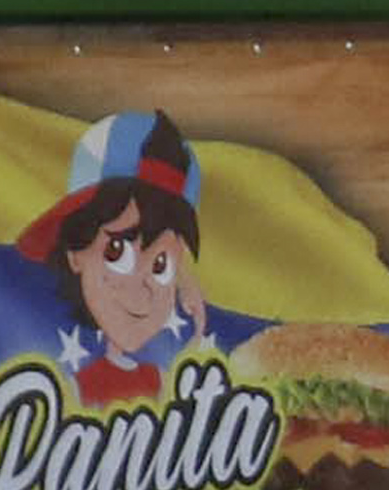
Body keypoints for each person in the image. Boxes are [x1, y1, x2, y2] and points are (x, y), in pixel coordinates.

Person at [28, 110, 235, 400]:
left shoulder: (161, 381)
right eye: (117, 252)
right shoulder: (73, 392)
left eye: (161, 266)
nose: (142, 289)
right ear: (76, 253)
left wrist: (192, 298)